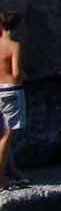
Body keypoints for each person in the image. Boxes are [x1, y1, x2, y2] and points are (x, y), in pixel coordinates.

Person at [0, 10, 25, 187]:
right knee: (7, 136)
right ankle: (1, 178)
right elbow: (15, 74)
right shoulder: (14, 46)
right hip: (11, 91)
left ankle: (11, 171)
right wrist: (24, 75)